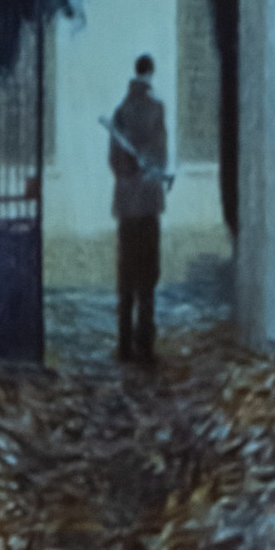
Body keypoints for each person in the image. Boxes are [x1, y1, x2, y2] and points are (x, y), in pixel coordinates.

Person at [107, 53, 170, 362]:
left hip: (126, 207)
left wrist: (129, 173)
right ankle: (144, 345)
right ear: (152, 73)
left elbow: (114, 162)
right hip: (148, 206)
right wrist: (147, 170)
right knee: (147, 277)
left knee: (126, 277)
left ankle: (123, 345)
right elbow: (161, 158)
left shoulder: (120, 112)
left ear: (136, 73)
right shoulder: (156, 109)